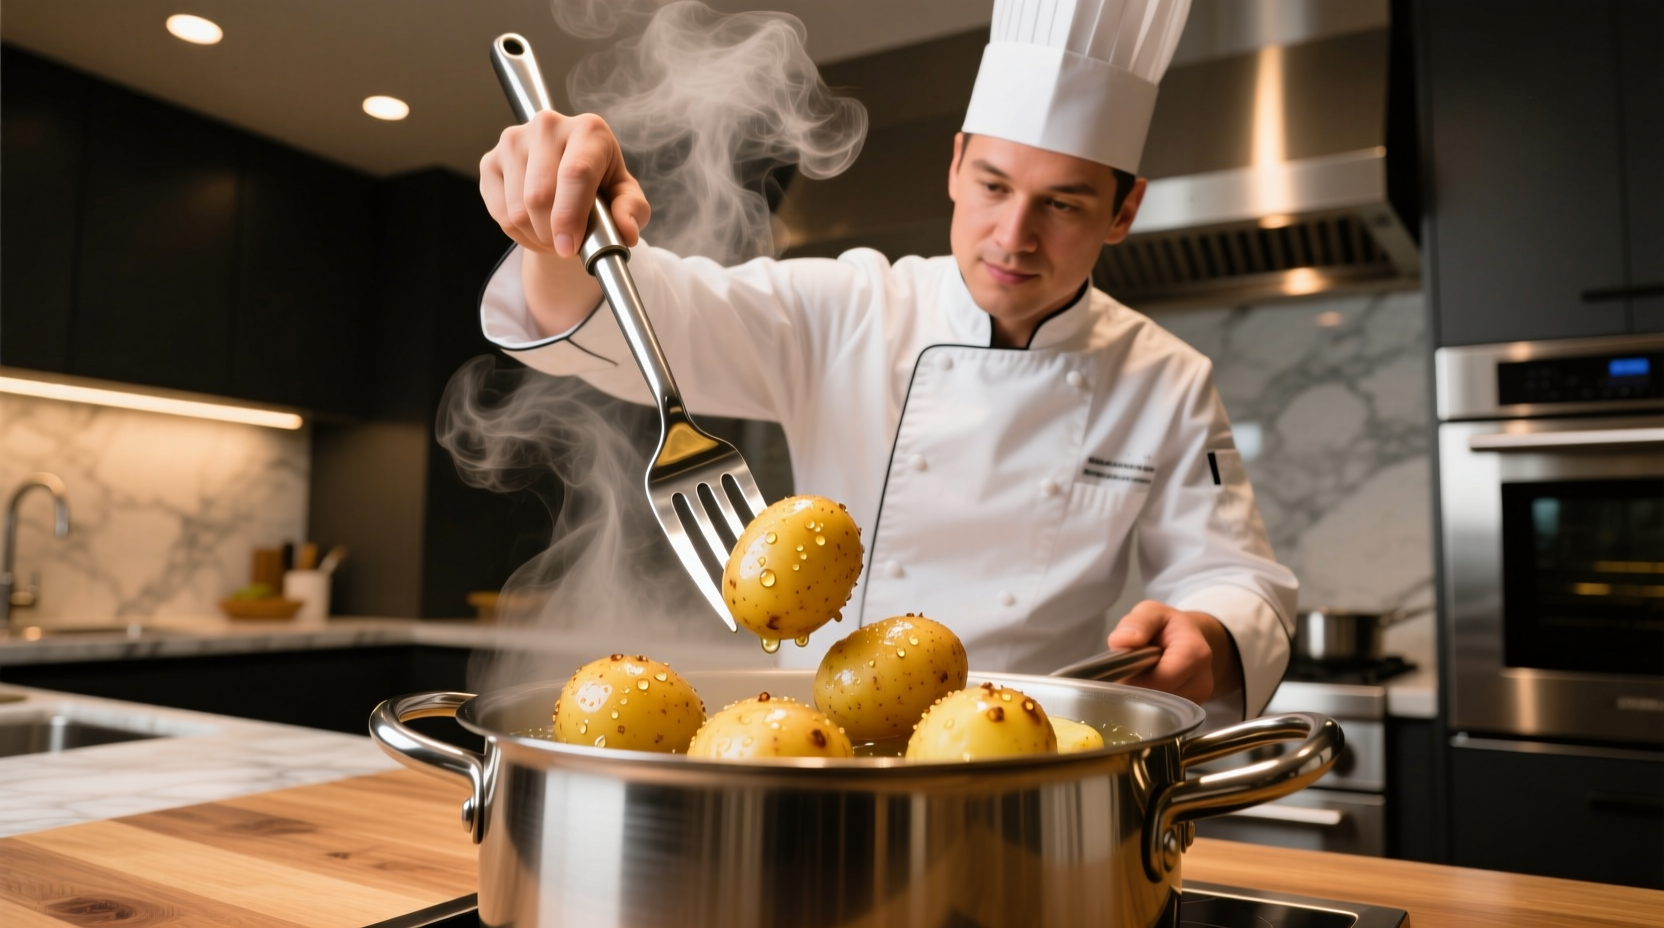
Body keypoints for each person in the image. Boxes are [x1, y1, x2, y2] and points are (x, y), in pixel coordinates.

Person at [474, 0, 1298, 720]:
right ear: (954, 165)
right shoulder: (849, 307)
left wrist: (1214, 634)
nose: (1014, 237)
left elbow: (1233, 574)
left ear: (1124, 212)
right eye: (993, 186)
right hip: (820, 756)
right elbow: (638, 320)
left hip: (1026, 766)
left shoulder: (1168, 379)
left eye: (1064, 203)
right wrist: (557, 227)